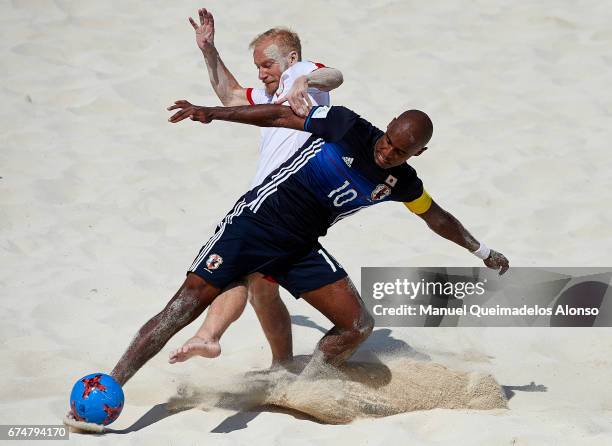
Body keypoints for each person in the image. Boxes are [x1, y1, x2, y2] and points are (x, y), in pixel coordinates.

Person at [107, 100, 509, 387]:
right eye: (388, 140)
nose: (388, 152)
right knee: (183, 306)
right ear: (387, 126)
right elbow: (282, 114)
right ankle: (113, 381)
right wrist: (214, 112)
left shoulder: (404, 183)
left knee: (358, 325)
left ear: (419, 152)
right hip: (255, 225)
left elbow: (435, 216)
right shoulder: (347, 126)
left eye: (402, 151)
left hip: (301, 248)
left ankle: (305, 386)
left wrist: (483, 251)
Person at [168, 8, 345, 366]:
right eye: (258, 68)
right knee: (262, 291)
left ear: (291, 59)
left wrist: (304, 82)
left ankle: (210, 336)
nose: (262, 74)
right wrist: (209, 51)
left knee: (241, 273)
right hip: (268, 202)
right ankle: (283, 366)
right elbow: (231, 96)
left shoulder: (301, 73)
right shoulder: (269, 97)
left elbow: (334, 75)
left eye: (267, 65)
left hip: (282, 205)